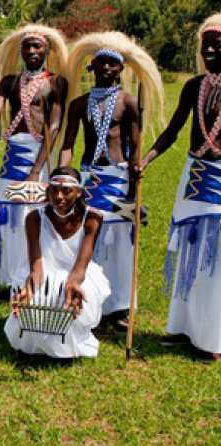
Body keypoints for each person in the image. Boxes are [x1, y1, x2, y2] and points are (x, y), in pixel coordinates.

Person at [58, 31, 163, 332]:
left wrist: (132, 190)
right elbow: (68, 143)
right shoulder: (79, 105)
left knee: (119, 244)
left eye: (112, 64)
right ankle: (91, 300)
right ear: (91, 66)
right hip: (89, 176)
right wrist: (62, 176)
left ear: (121, 69)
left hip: (117, 178)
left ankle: (119, 307)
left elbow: (135, 148)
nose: (105, 68)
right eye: (100, 63)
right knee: (90, 240)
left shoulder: (129, 102)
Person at [141, 15, 221, 361]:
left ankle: (212, 338)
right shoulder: (193, 86)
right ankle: (183, 327)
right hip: (194, 178)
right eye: (206, 46)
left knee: (216, 258)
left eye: (218, 44)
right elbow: (173, 130)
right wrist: (145, 160)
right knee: (190, 253)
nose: (211, 50)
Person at [0, 25, 69, 285]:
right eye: (27, 47)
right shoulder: (9, 82)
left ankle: (35, 272)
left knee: (35, 212)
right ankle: (11, 277)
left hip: (40, 156)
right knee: (10, 213)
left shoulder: (55, 82)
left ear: (47, 51)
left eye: (37, 46)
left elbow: (53, 127)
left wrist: (35, 170)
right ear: (20, 51)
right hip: (12, 157)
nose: (31, 51)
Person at [5, 167, 109, 358]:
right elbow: (36, 267)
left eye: (66, 191)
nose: (59, 196)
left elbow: (80, 266)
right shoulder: (34, 218)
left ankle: (68, 348)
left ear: (79, 192)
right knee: (36, 302)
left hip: (77, 274)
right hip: (44, 273)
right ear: (47, 191)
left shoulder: (92, 218)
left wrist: (72, 284)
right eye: (54, 190)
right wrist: (30, 289)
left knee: (67, 300)